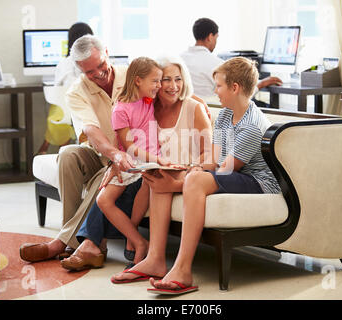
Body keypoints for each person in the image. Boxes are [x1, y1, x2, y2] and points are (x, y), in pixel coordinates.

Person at [113, 57, 281, 295]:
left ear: (234, 88)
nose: (215, 91)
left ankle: (182, 270)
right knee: (165, 177)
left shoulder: (252, 125)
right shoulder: (224, 115)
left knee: (185, 181)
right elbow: (212, 160)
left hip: (258, 183)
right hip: (233, 173)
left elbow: (226, 169)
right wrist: (189, 170)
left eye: (219, 86)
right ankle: (155, 259)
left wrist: (182, 182)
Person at [60, 54, 212, 272]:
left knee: (136, 185)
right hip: (145, 164)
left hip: (172, 169)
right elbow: (122, 136)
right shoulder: (150, 105)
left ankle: (93, 243)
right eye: (163, 80)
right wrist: (115, 161)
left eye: (177, 79)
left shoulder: (189, 107)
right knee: (113, 185)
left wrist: (199, 100)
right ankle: (99, 243)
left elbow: (207, 153)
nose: (170, 85)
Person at [19, 35, 139, 266]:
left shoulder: (132, 75)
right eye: (90, 72)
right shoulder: (77, 91)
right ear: (79, 69)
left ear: (107, 51)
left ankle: (64, 243)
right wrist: (114, 154)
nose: (98, 74)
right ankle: (75, 242)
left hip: (131, 157)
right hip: (100, 153)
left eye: (101, 65)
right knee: (67, 155)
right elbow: (92, 130)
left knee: (105, 177)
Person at [94, 57, 168, 266]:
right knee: (103, 200)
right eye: (155, 81)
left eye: (159, 81)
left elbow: (180, 95)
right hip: (131, 160)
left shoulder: (148, 100)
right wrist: (157, 159)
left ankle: (133, 241)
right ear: (137, 80)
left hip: (149, 163)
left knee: (148, 181)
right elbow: (129, 147)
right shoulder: (121, 109)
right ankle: (137, 240)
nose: (159, 86)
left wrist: (201, 104)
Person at [180, 17, 283, 104]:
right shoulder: (217, 65)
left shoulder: (180, 59)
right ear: (210, 37)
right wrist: (261, 84)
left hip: (190, 114)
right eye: (216, 38)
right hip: (216, 113)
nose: (216, 42)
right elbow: (238, 97)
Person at [36, 22, 93, 156]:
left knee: (59, 111)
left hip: (62, 112)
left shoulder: (63, 63)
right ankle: (62, 150)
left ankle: (52, 147)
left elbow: (57, 89)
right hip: (82, 110)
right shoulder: (91, 63)